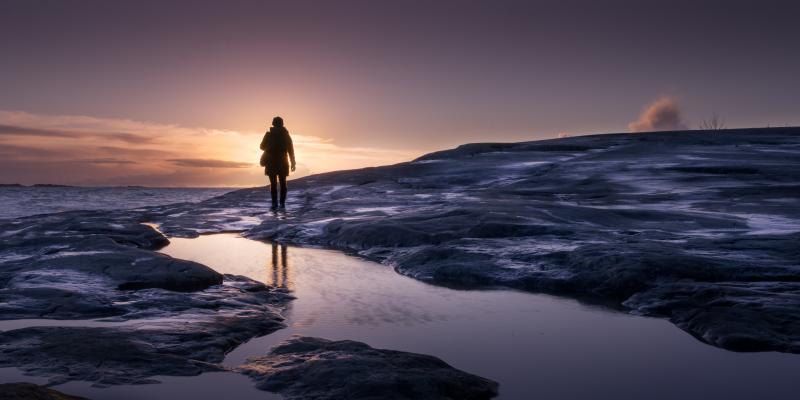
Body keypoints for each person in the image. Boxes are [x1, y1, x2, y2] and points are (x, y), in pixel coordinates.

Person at [260, 116, 296, 210]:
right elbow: (291, 150)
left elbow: (261, 147)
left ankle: (274, 204)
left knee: (273, 184)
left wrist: (269, 146)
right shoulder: (286, 135)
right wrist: (293, 163)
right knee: (283, 183)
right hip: (283, 161)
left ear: (273, 123)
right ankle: (282, 204)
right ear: (282, 124)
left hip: (271, 161)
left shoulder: (268, 134)